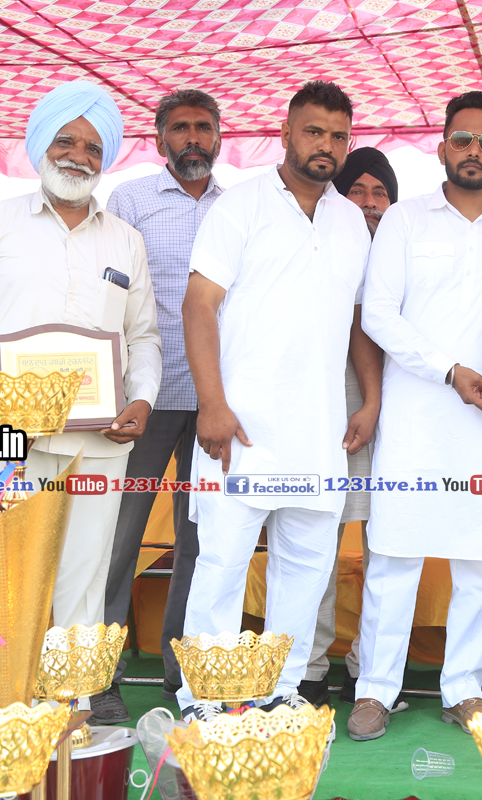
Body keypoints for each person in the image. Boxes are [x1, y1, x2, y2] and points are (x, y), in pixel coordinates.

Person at [0, 82, 163, 672]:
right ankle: (11, 703)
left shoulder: (125, 240)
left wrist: (142, 399)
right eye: (66, 141)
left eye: (93, 147)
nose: (78, 156)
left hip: (99, 440)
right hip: (11, 438)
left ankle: (73, 705)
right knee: (10, 570)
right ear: (41, 144)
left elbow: (143, 335)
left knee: (85, 574)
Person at [178, 81, 374, 723]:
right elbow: (198, 305)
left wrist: (370, 400)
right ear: (286, 133)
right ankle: (204, 698)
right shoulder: (240, 206)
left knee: (306, 571)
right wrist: (212, 404)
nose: (326, 146)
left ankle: (281, 692)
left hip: (318, 431)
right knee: (222, 568)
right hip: (239, 428)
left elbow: (356, 322)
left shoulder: (350, 220)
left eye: (338, 136)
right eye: (314, 132)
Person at [350, 91, 482, 742]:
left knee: (478, 561)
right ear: (441, 148)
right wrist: (447, 369)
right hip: (416, 414)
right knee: (395, 556)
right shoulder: (405, 221)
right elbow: (379, 314)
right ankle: (375, 690)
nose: (474, 152)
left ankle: (463, 688)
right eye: (463, 140)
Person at [88, 89, 224, 724]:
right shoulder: (131, 201)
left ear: (219, 136)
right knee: (119, 538)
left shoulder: (238, 206)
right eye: (181, 128)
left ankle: (184, 675)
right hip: (143, 400)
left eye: (203, 127)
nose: (193, 138)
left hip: (213, 401)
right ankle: (100, 677)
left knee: (201, 539)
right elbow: (108, 300)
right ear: (160, 136)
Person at [301, 147, 393, 709]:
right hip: (332, 406)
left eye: (380, 192)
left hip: (399, 411)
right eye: (357, 190)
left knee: (388, 544)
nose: (369, 202)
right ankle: (310, 669)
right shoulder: (326, 242)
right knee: (318, 538)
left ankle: (370, 671)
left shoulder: (405, 247)